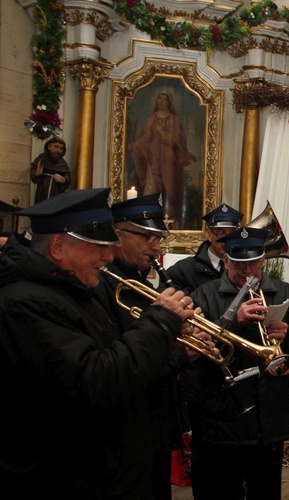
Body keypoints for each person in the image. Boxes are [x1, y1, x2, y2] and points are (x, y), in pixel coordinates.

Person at [0, 188, 195, 498]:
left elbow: (111, 352)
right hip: (63, 477)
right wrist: (160, 321)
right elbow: (96, 378)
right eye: (98, 246)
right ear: (59, 246)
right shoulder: (25, 302)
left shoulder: (69, 288)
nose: (107, 255)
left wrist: (167, 342)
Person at [183, 226, 289, 499]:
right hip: (222, 418)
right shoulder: (205, 295)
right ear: (227, 260)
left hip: (270, 415)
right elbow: (194, 349)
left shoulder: (282, 291)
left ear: (264, 259)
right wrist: (232, 322)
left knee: (265, 491)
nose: (247, 272)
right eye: (240, 264)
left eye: (253, 263)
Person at [94, 193, 208, 499]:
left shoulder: (144, 278)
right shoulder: (107, 284)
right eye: (147, 237)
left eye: (158, 237)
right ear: (117, 235)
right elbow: (125, 359)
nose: (156, 246)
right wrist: (182, 353)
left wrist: (182, 330)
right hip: (128, 424)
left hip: (154, 420)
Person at [130, 91, 197, 227]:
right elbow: (145, 137)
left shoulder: (174, 119)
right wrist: (137, 144)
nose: (160, 101)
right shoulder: (152, 118)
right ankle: (149, 217)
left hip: (169, 160)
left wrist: (162, 132)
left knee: (169, 187)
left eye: (164, 99)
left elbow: (178, 140)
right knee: (152, 185)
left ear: (169, 102)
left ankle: (171, 215)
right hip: (153, 157)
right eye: (158, 98)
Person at [167, 203, 243, 295]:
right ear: (209, 235)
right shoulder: (183, 270)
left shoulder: (245, 269)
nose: (226, 239)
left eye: (232, 233)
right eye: (220, 232)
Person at [29, 136, 71, 204]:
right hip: (42, 190)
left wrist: (64, 180)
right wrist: (37, 174)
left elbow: (68, 177)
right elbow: (33, 172)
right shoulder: (42, 158)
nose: (58, 150)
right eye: (56, 147)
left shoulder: (62, 163)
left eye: (61, 148)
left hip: (56, 192)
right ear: (49, 146)